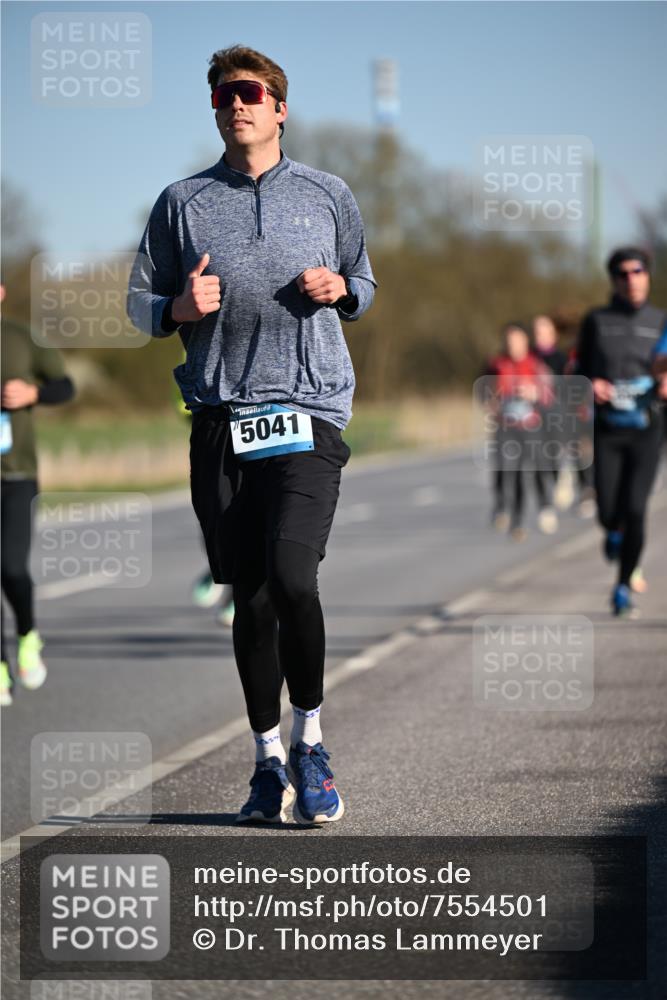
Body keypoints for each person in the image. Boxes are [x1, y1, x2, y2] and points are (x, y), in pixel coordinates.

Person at [127, 46, 376, 824]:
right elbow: (138, 302)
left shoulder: (327, 193)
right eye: (222, 95)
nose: (235, 103)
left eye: (249, 92)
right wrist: (176, 309)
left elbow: (364, 279)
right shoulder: (182, 201)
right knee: (254, 599)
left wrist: (342, 289)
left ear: (279, 109)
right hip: (220, 417)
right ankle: (268, 762)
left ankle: (311, 743)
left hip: (308, 410)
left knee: (294, 577)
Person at [575, 246, 665, 616]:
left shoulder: (661, 321)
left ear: (648, 276)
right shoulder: (597, 321)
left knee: (636, 508)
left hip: (647, 428)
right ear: (613, 280)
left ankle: (623, 586)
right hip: (608, 428)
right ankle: (613, 532)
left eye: (638, 271)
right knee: (609, 511)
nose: (631, 279)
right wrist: (590, 383)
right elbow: (577, 370)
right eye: (623, 273)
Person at [1, 283, 75, 705]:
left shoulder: (21, 337)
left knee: (11, 568)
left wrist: (33, 393)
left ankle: (28, 635)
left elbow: (65, 386)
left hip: (16, 475)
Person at [484, 322, 555, 541]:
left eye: (516, 340)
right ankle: (511, 515)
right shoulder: (496, 364)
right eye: (508, 341)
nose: (512, 345)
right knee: (507, 471)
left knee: (534, 469)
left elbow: (551, 394)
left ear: (525, 341)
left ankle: (542, 507)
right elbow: (483, 391)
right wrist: (491, 402)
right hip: (505, 427)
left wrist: (535, 394)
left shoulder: (536, 365)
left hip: (530, 426)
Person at [532, 314, 574, 514]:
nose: (539, 335)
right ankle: (545, 504)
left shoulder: (562, 358)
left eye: (543, 331)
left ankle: (563, 478)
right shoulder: (528, 357)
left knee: (555, 454)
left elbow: (571, 389)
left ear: (553, 333)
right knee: (537, 459)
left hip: (557, 415)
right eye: (536, 331)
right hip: (533, 417)